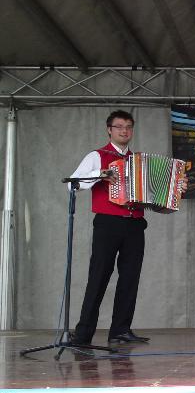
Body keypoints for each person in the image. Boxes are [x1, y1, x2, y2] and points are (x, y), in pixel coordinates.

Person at [69, 110, 186, 345]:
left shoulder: (139, 161)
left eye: (129, 127)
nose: (124, 131)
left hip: (135, 225)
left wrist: (176, 187)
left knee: (130, 278)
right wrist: (99, 174)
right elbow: (73, 184)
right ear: (109, 130)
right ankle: (83, 334)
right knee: (98, 277)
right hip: (107, 223)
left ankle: (120, 330)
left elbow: (154, 196)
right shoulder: (97, 156)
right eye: (119, 126)